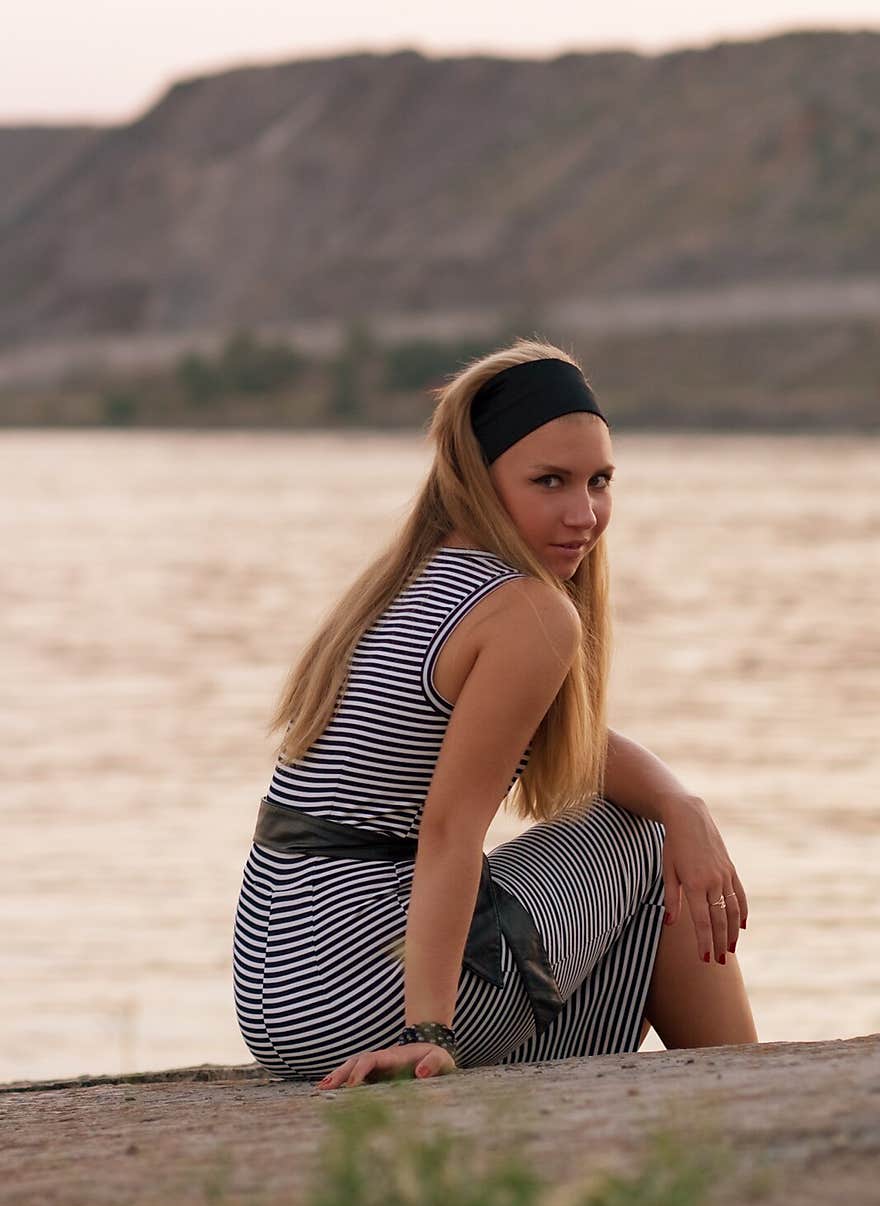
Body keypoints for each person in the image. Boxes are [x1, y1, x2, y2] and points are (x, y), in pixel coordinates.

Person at [232, 337, 758, 1091]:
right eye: (550, 481)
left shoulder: (409, 581)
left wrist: (683, 801)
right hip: (362, 993)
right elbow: (449, 831)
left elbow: (570, 741)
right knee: (638, 843)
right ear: (479, 479)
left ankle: (711, 1094)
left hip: (279, 999)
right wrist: (427, 1033)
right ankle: (748, 1097)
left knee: (647, 853)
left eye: (599, 481)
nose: (584, 514)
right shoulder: (525, 611)